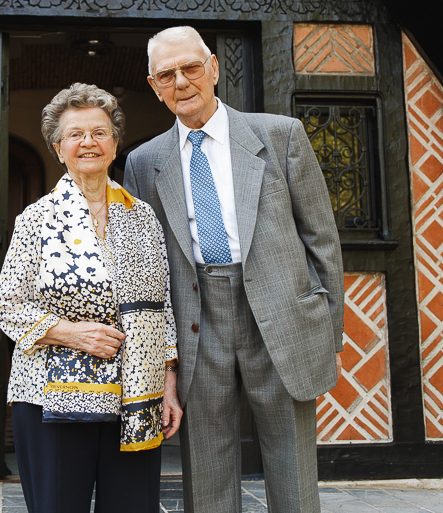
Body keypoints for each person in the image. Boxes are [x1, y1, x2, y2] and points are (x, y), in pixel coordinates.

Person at [123, 27, 344, 513]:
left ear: (214, 69)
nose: (181, 82)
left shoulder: (280, 135)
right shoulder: (143, 162)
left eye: (190, 68)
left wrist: (326, 331)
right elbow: (145, 269)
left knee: (292, 467)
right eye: (166, 75)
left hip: (282, 316)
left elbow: (321, 239)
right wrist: (161, 363)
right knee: (206, 469)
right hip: (198, 320)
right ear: (154, 86)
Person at [0, 82, 182, 513]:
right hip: (48, 397)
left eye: (99, 132)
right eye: (75, 134)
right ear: (58, 148)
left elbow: (163, 305)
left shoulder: (143, 216)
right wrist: (70, 333)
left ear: (115, 144)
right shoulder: (36, 219)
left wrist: (169, 383)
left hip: (135, 393)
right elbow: (7, 305)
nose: (88, 143)